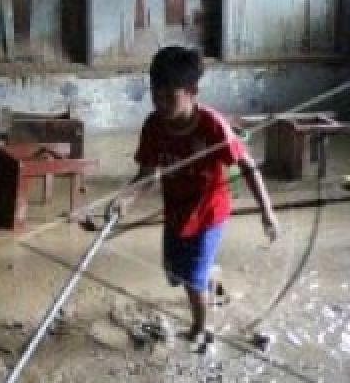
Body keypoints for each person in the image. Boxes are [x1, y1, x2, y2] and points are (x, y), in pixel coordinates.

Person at [113, 45, 278, 343]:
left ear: (192, 91)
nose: (161, 103)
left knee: (190, 280)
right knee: (173, 273)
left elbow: (248, 166)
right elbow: (147, 175)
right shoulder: (153, 126)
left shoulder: (213, 127)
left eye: (169, 96)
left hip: (209, 214)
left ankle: (200, 329)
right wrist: (125, 198)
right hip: (176, 211)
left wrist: (267, 210)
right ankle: (208, 276)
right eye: (156, 95)